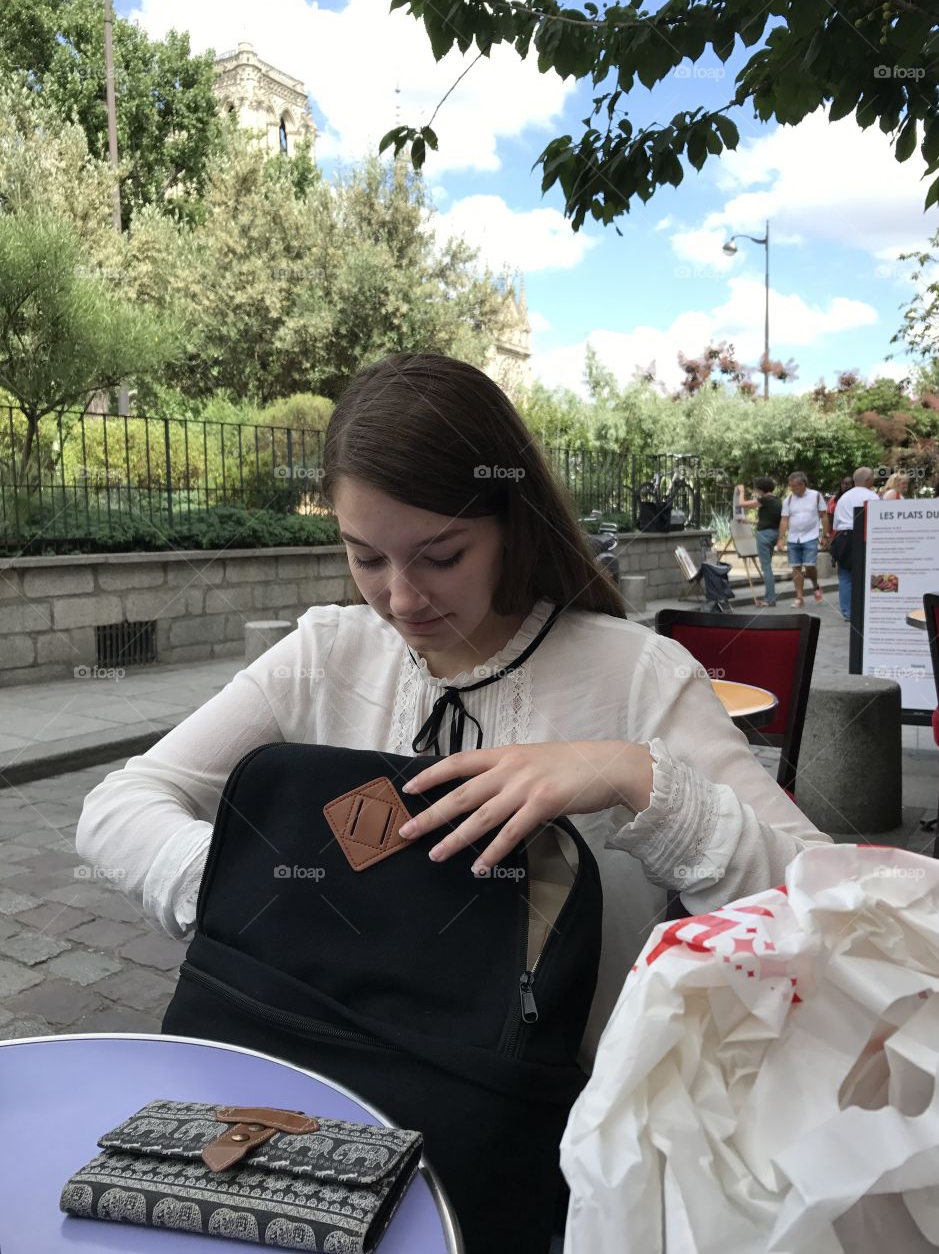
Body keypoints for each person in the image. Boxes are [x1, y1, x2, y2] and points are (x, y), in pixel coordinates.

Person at [75, 355, 829, 1101]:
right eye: (365, 556)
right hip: (327, 1104)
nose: (401, 599)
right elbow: (119, 806)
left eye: (441, 557)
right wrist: (278, 891)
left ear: (512, 523)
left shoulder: (640, 675)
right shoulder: (326, 652)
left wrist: (632, 775)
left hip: (558, 1134)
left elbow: (824, 913)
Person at [831, 466, 879, 622]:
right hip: (863, 537)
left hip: (843, 537)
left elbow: (836, 523)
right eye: (872, 477)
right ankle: (866, 609)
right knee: (866, 574)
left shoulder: (844, 498)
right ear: (868, 480)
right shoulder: (872, 497)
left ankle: (847, 612)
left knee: (845, 576)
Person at [776, 471, 829, 607]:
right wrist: (781, 538)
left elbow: (823, 516)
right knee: (796, 568)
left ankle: (815, 586)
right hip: (794, 538)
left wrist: (825, 535)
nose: (792, 489)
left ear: (803, 484)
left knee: (810, 565)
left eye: (794, 486)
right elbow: (784, 519)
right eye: (791, 486)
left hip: (811, 536)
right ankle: (799, 598)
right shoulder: (788, 499)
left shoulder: (816, 496)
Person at [736, 476, 781, 606]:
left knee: (766, 568)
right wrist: (748, 521)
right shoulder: (777, 500)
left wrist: (742, 491)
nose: (756, 491)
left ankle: (770, 599)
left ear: (761, 489)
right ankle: (770, 597)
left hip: (764, 536)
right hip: (774, 534)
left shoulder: (765, 499)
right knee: (768, 566)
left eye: (756, 489)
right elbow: (767, 521)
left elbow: (741, 504)